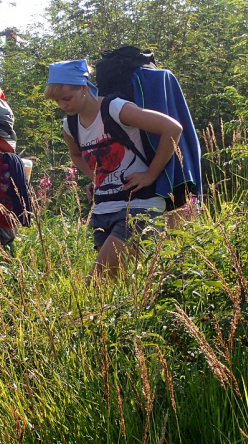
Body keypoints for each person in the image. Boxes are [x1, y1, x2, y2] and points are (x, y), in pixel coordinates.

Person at [45, 59, 182, 281]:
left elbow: (172, 128)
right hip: (102, 211)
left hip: (138, 206)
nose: (63, 105)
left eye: (66, 98)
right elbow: (77, 155)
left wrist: (151, 174)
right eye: (57, 101)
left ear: (83, 87)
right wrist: (97, 178)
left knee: (97, 281)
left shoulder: (114, 108)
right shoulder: (69, 126)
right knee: (116, 287)